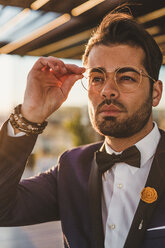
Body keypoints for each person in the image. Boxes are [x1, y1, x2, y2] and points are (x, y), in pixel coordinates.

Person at [0, 5, 164, 248]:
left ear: (155, 93)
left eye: (127, 77)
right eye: (97, 78)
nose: (107, 90)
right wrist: (30, 115)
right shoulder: (70, 168)